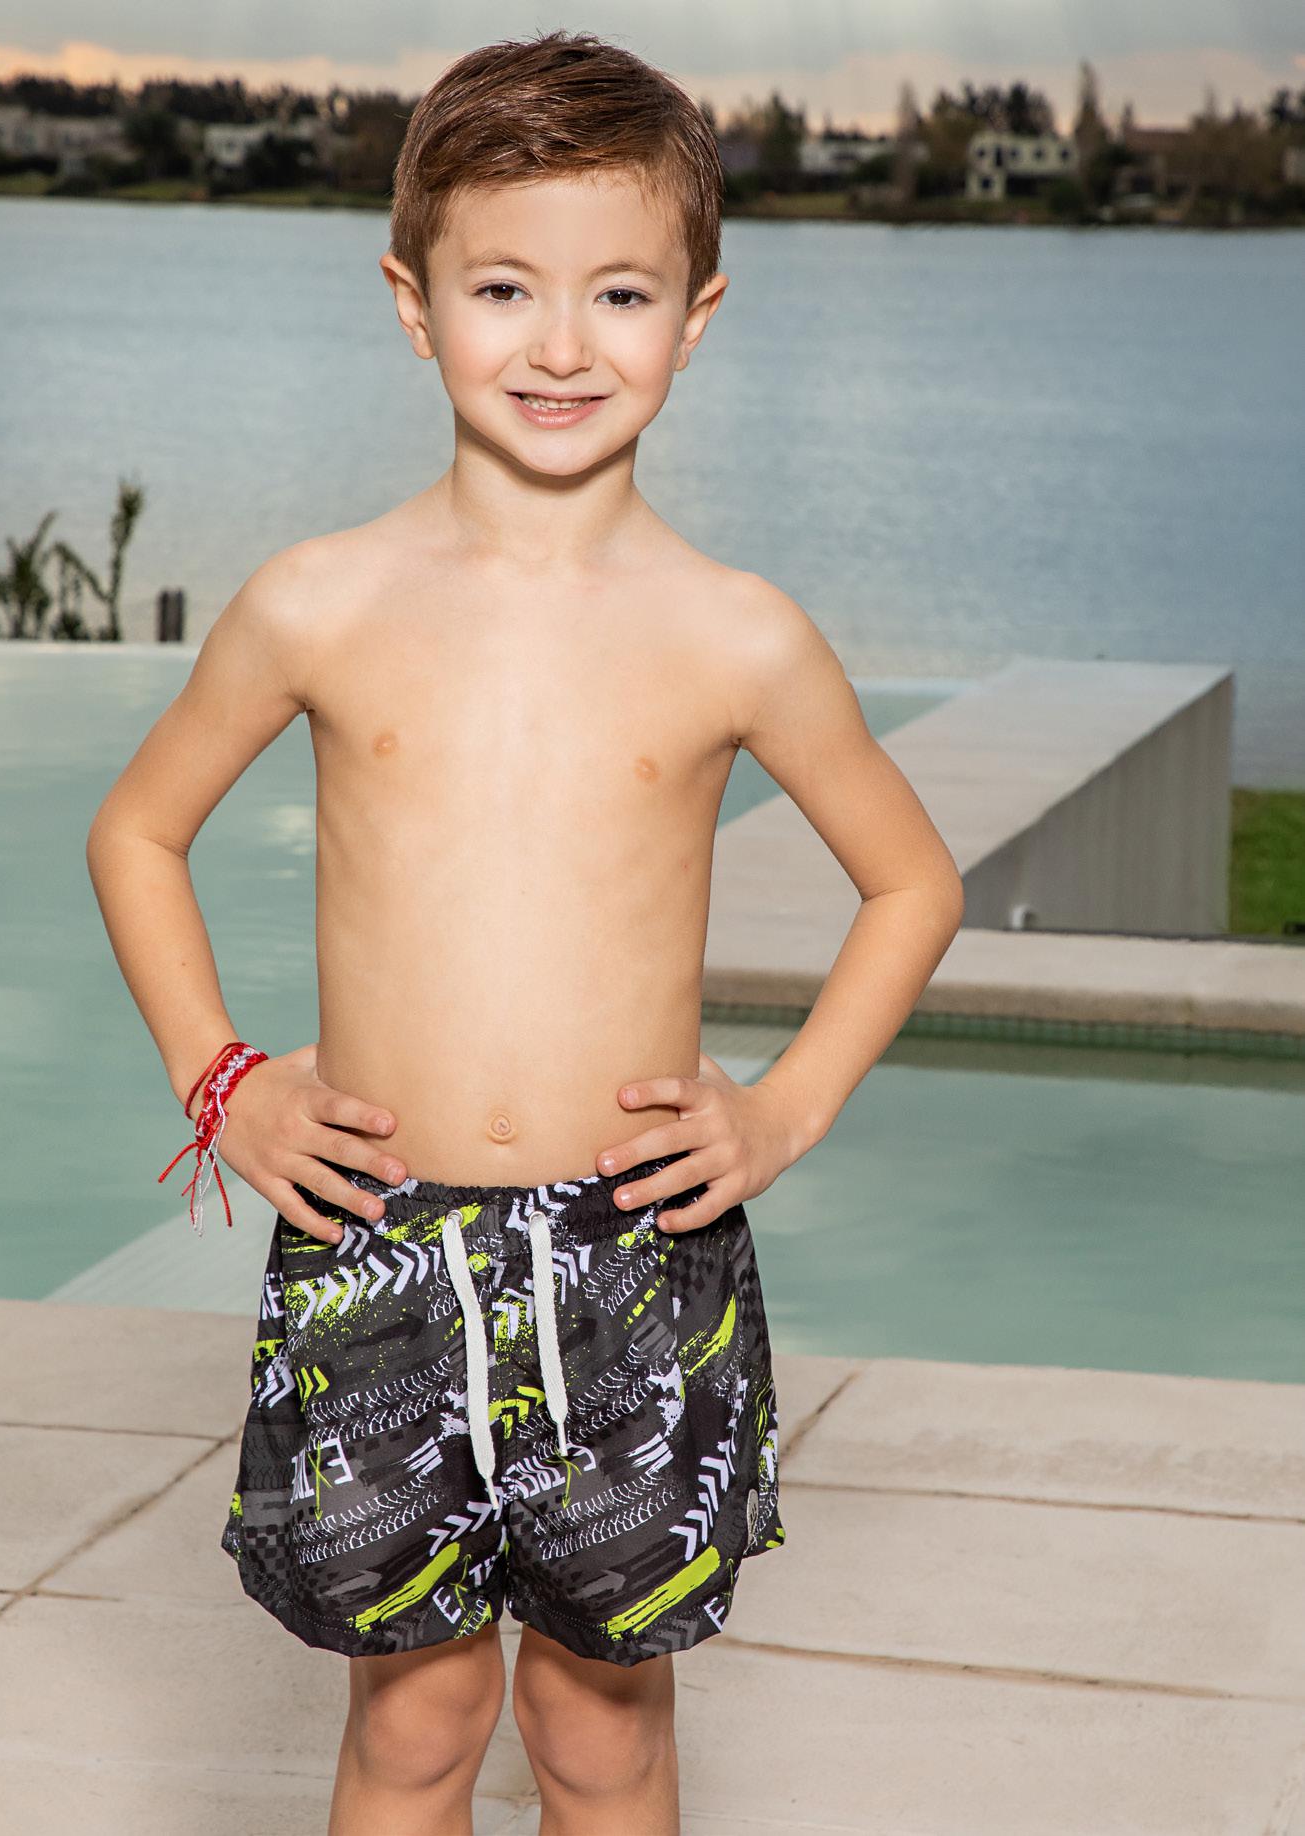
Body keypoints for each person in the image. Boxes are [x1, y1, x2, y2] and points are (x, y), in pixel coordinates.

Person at [86, 27, 964, 1836]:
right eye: (505, 287)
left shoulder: (735, 632)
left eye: (619, 293)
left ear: (694, 318)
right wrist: (224, 1080)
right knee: (412, 1732)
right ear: (414, 304)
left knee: (599, 1737)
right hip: (376, 1240)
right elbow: (137, 829)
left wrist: (780, 1113)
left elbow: (915, 881)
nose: (563, 345)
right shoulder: (320, 601)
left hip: (635, 1257)